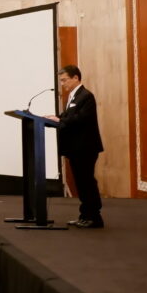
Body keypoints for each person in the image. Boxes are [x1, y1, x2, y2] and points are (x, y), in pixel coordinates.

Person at [48, 65, 104, 228]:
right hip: (75, 148)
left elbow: (81, 119)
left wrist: (61, 120)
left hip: (85, 147)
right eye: (61, 81)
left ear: (76, 78)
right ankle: (84, 215)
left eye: (64, 80)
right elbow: (68, 118)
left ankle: (94, 217)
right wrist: (55, 118)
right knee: (81, 182)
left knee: (86, 181)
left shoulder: (86, 96)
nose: (62, 84)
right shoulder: (72, 97)